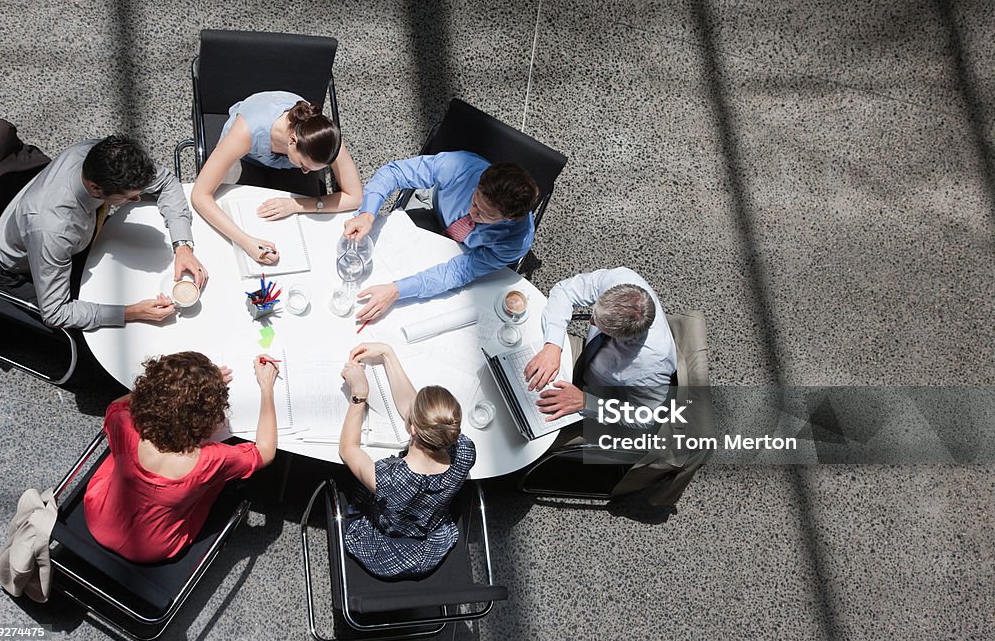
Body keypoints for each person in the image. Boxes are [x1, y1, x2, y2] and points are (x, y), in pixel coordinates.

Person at [0, 136, 206, 330]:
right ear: (95, 188)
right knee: (105, 336)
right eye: (128, 198)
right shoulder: (53, 229)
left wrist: (183, 246)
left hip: (75, 238)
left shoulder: (101, 155)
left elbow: (166, 182)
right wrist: (131, 313)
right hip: (20, 271)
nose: (136, 200)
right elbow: (56, 313)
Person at [84, 351, 279, 563]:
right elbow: (265, 452)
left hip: (100, 520)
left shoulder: (122, 422)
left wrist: (176, 388)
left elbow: (117, 405)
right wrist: (266, 387)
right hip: (155, 548)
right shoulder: (210, 460)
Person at [342, 152, 539, 321]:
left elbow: (457, 272)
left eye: (484, 215)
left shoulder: (516, 240)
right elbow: (395, 172)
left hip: (466, 252)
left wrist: (396, 291)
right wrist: (367, 214)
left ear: (509, 218)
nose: (472, 212)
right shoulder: (459, 166)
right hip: (433, 211)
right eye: (474, 201)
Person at [338, 342, 476, 579]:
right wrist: (387, 354)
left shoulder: (389, 478)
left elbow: (347, 448)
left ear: (412, 428)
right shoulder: (464, 451)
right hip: (430, 544)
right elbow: (416, 412)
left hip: (386, 550)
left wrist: (359, 394)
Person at [190, 91, 363, 265]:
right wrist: (245, 242)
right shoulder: (245, 132)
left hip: (284, 162)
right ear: (293, 140)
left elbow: (355, 197)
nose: (306, 172)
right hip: (243, 156)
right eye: (304, 165)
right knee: (223, 210)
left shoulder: (324, 139)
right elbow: (200, 196)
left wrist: (297, 205)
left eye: (314, 169)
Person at [523, 267, 677, 421]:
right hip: (585, 356)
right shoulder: (622, 278)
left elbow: (645, 416)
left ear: (620, 336)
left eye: (598, 323)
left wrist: (586, 402)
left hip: (600, 397)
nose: (590, 321)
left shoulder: (652, 368)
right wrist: (553, 345)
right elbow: (564, 291)